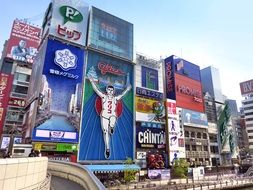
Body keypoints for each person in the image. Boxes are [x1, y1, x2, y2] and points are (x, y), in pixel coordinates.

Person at [88, 75, 131, 159]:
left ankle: (111, 126)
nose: (110, 91)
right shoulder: (103, 97)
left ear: (113, 91)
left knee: (112, 119)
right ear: (107, 90)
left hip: (112, 115)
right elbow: (96, 90)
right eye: (109, 89)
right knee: (105, 132)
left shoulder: (115, 98)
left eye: (112, 90)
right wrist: (91, 81)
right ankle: (107, 148)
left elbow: (122, 95)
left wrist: (127, 89)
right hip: (104, 116)